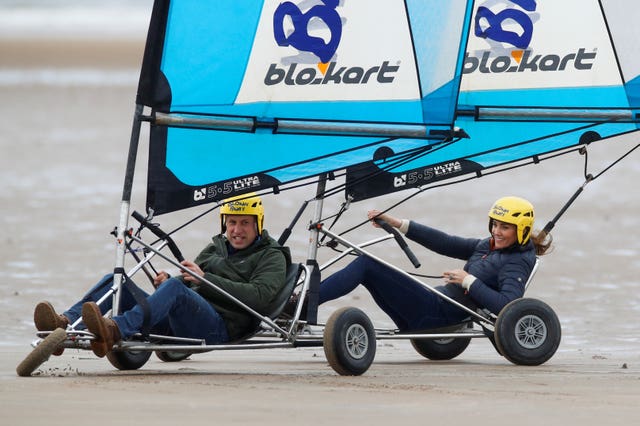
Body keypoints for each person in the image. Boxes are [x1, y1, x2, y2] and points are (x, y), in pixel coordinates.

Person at [33, 193, 291, 357]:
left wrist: (204, 279)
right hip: (179, 321)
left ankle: (115, 329)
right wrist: (170, 282)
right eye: (232, 222)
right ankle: (64, 324)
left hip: (219, 328)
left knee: (177, 290)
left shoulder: (272, 255)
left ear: (258, 224)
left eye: (245, 223)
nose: (237, 230)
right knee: (117, 281)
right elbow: (189, 284)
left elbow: (260, 298)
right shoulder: (215, 248)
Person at [318, 196, 552, 331]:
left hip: (435, 315)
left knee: (367, 264)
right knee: (368, 266)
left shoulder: (517, 262)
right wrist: (398, 223)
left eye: (505, 227)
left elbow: (508, 306)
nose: (496, 232)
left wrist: (468, 281)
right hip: (431, 306)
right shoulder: (488, 245)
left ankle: (305, 303)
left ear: (521, 229)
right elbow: (446, 243)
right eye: (495, 224)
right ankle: (302, 304)